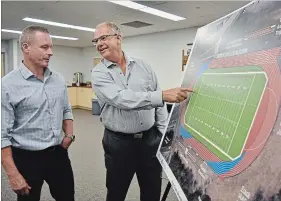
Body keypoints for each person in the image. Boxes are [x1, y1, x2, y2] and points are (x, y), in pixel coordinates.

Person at [91, 22, 193, 201]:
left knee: (152, 190)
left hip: (149, 140)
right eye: (96, 40)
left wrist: (163, 135)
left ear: (118, 38)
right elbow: (122, 99)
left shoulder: (144, 66)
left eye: (103, 37)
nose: (99, 43)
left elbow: (159, 106)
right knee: (116, 192)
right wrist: (160, 95)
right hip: (118, 143)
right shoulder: (99, 73)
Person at [1, 25, 76, 201]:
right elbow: (2, 135)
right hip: (27, 158)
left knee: (67, 197)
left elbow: (66, 108)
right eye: (45, 47)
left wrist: (69, 135)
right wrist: (13, 174)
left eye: (51, 47)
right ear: (26, 47)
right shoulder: (7, 85)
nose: (50, 52)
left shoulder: (57, 79)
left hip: (58, 153)